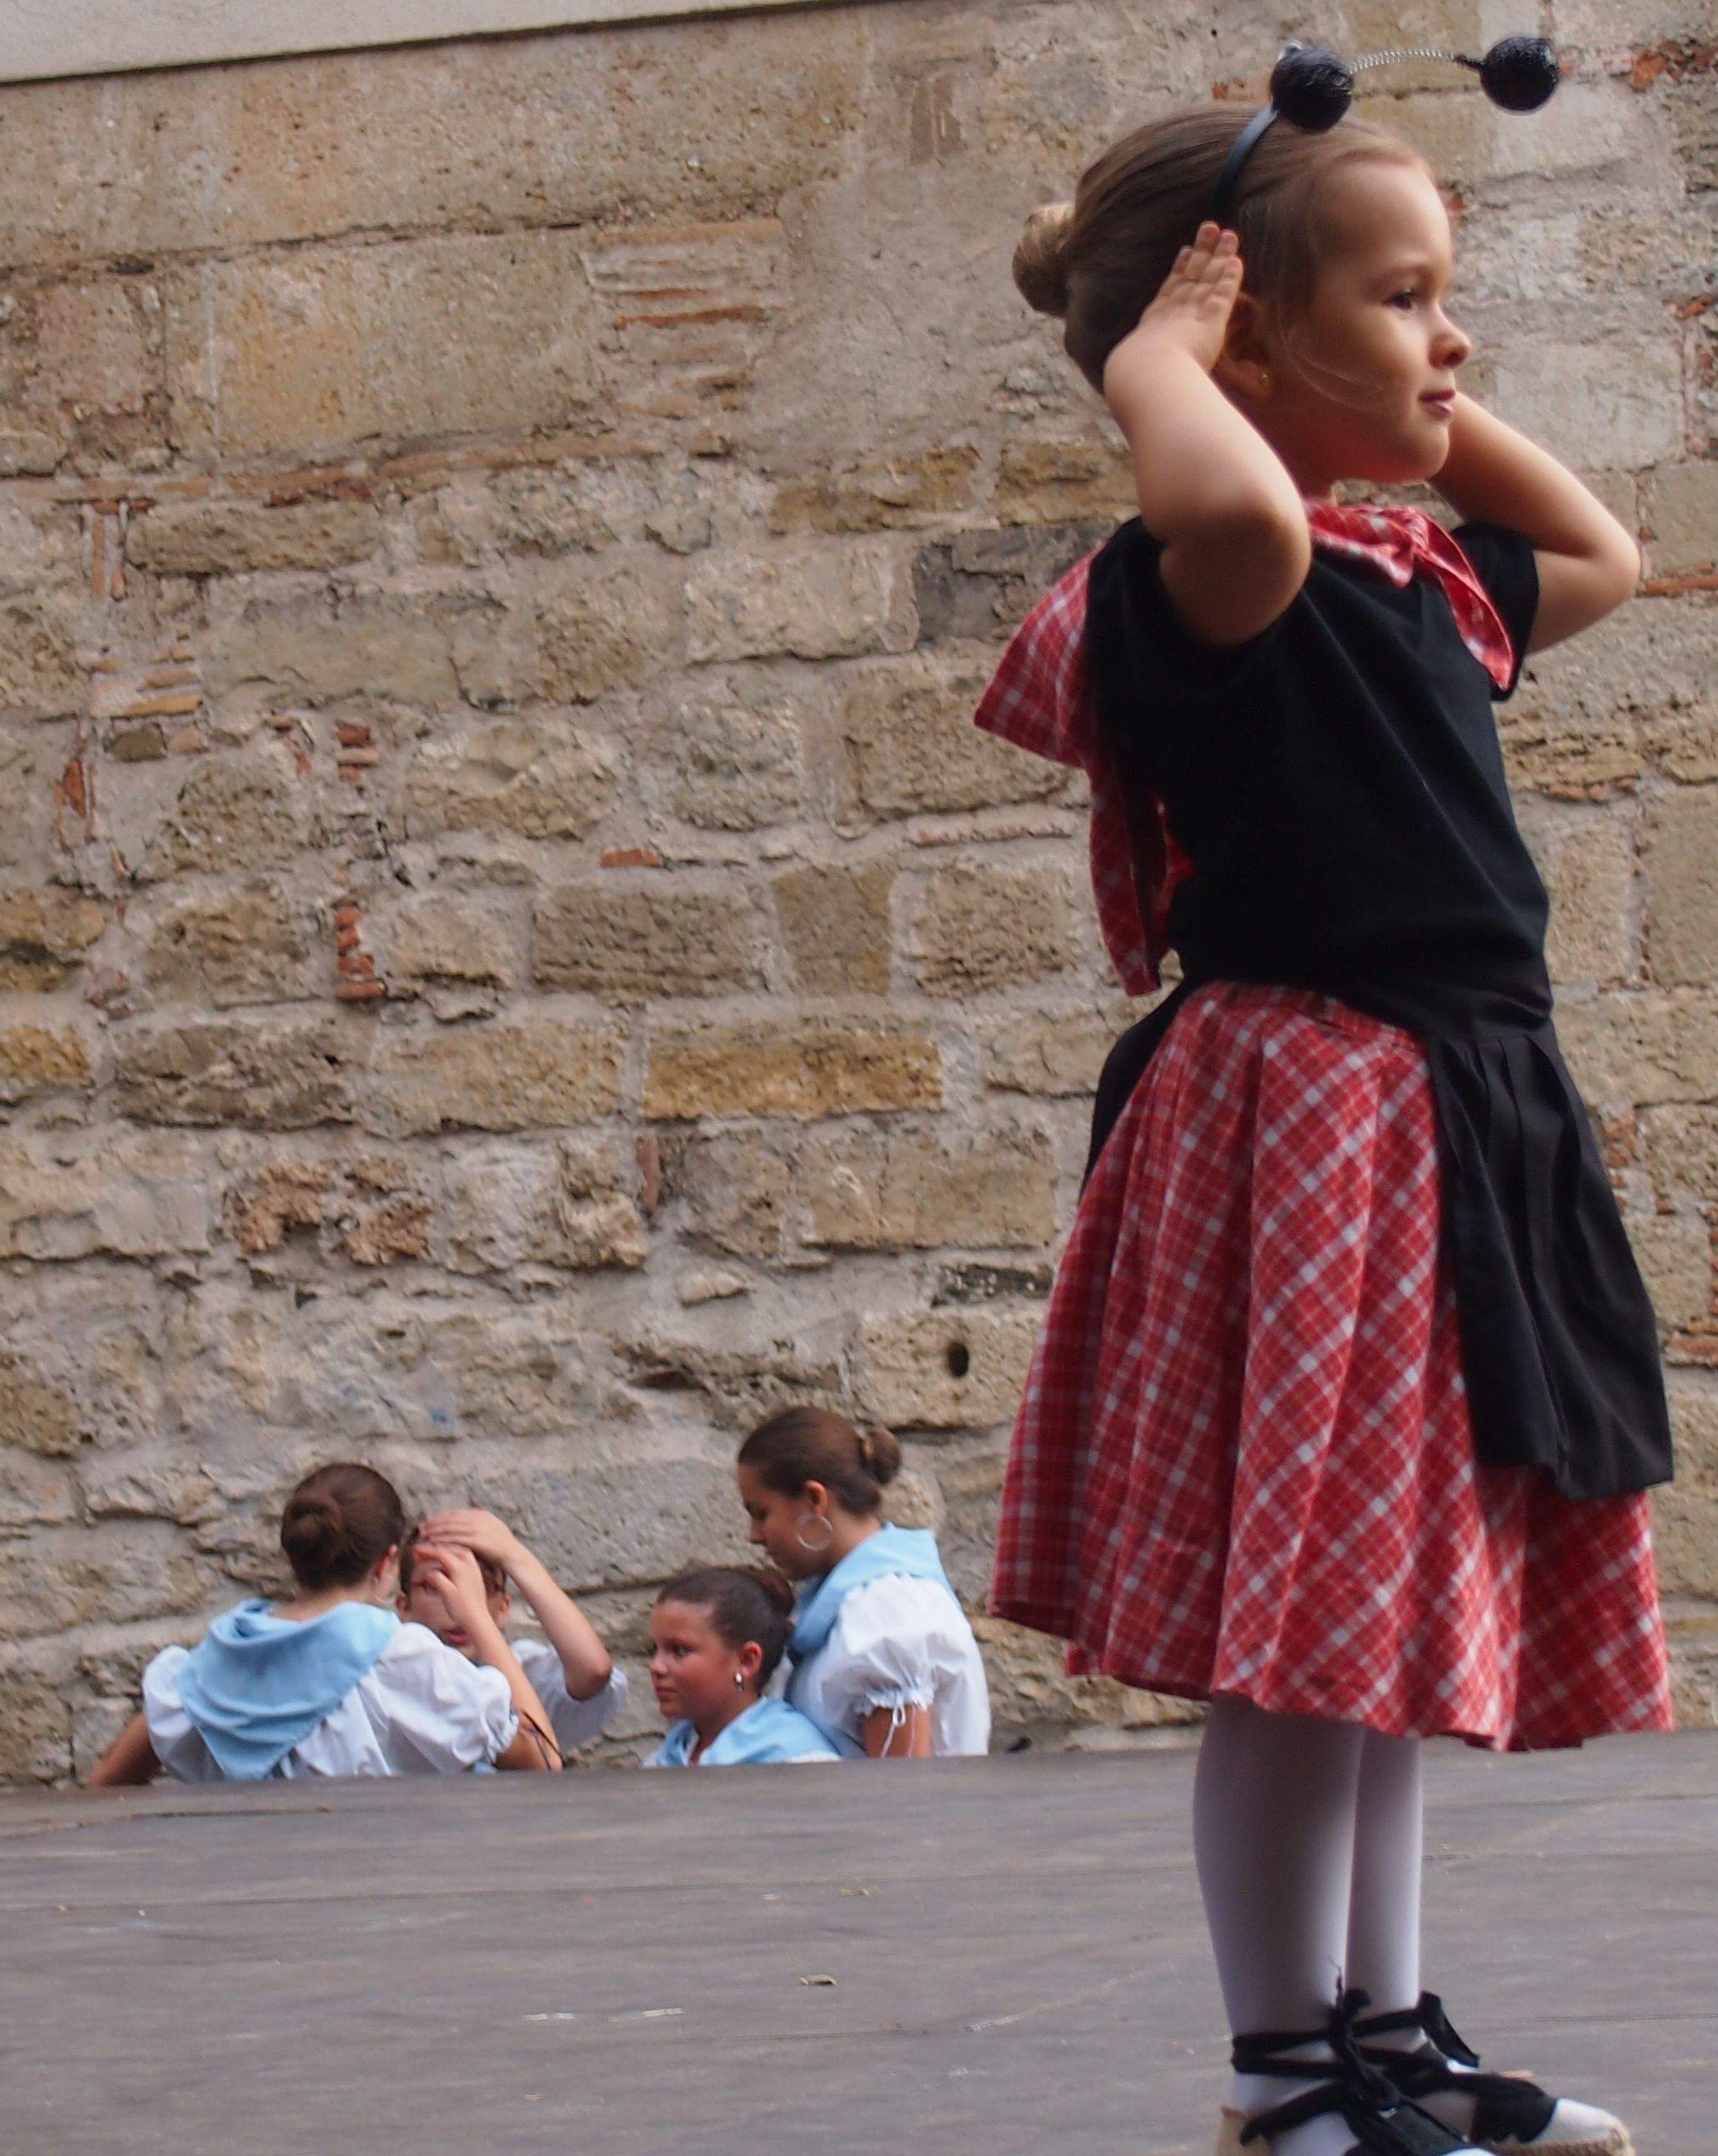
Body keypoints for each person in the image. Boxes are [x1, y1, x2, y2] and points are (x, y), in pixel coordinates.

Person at [976, 50, 1663, 2156]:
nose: (1453, 337)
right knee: (1306, 1647)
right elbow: (1233, 495)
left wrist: (1399, 380)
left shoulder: (1409, 581)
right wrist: (1161, 362)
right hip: (1322, 1123)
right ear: (1240, 340)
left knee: (1390, 1630)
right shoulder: (1221, 580)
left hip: (1449, 1115)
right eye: (1406, 297)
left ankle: (1385, 2029)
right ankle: (1289, 2074)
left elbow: (1602, 547)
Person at [85, 1463, 563, 1784]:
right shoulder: (402, 1661)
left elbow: (107, 1781)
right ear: (388, 1563)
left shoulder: (212, 1666)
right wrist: (478, 1617)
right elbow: (541, 1760)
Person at [733, 1407, 991, 1759]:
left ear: (815, 1500)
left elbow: (900, 1794)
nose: (754, 1535)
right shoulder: (842, 1604)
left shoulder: (888, 1613)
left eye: (761, 1514)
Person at [408, 1506, 629, 1758]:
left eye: (481, 1586)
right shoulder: (394, 1677)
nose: (457, 1604)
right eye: (436, 1586)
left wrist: (515, 1555)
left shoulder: (525, 1676)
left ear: (503, 1608)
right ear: (404, 1607)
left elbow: (593, 1670)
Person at [643, 1567, 841, 1767]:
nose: (656, 1667)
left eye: (679, 1650)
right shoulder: (672, 1753)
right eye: (654, 1650)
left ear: (747, 1660)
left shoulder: (797, 1761)